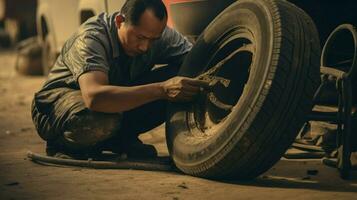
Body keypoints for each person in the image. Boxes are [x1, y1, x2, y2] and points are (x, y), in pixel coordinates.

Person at [31, 0, 209, 159]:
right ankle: (65, 144)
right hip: (57, 106)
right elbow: (94, 97)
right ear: (119, 21)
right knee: (101, 120)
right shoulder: (90, 38)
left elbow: (198, 59)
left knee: (184, 78)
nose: (145, 47)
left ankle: (118, 139)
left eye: (153, 40)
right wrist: (162, 89)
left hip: (110, 99)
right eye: (140, 37)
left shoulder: (157, 36)